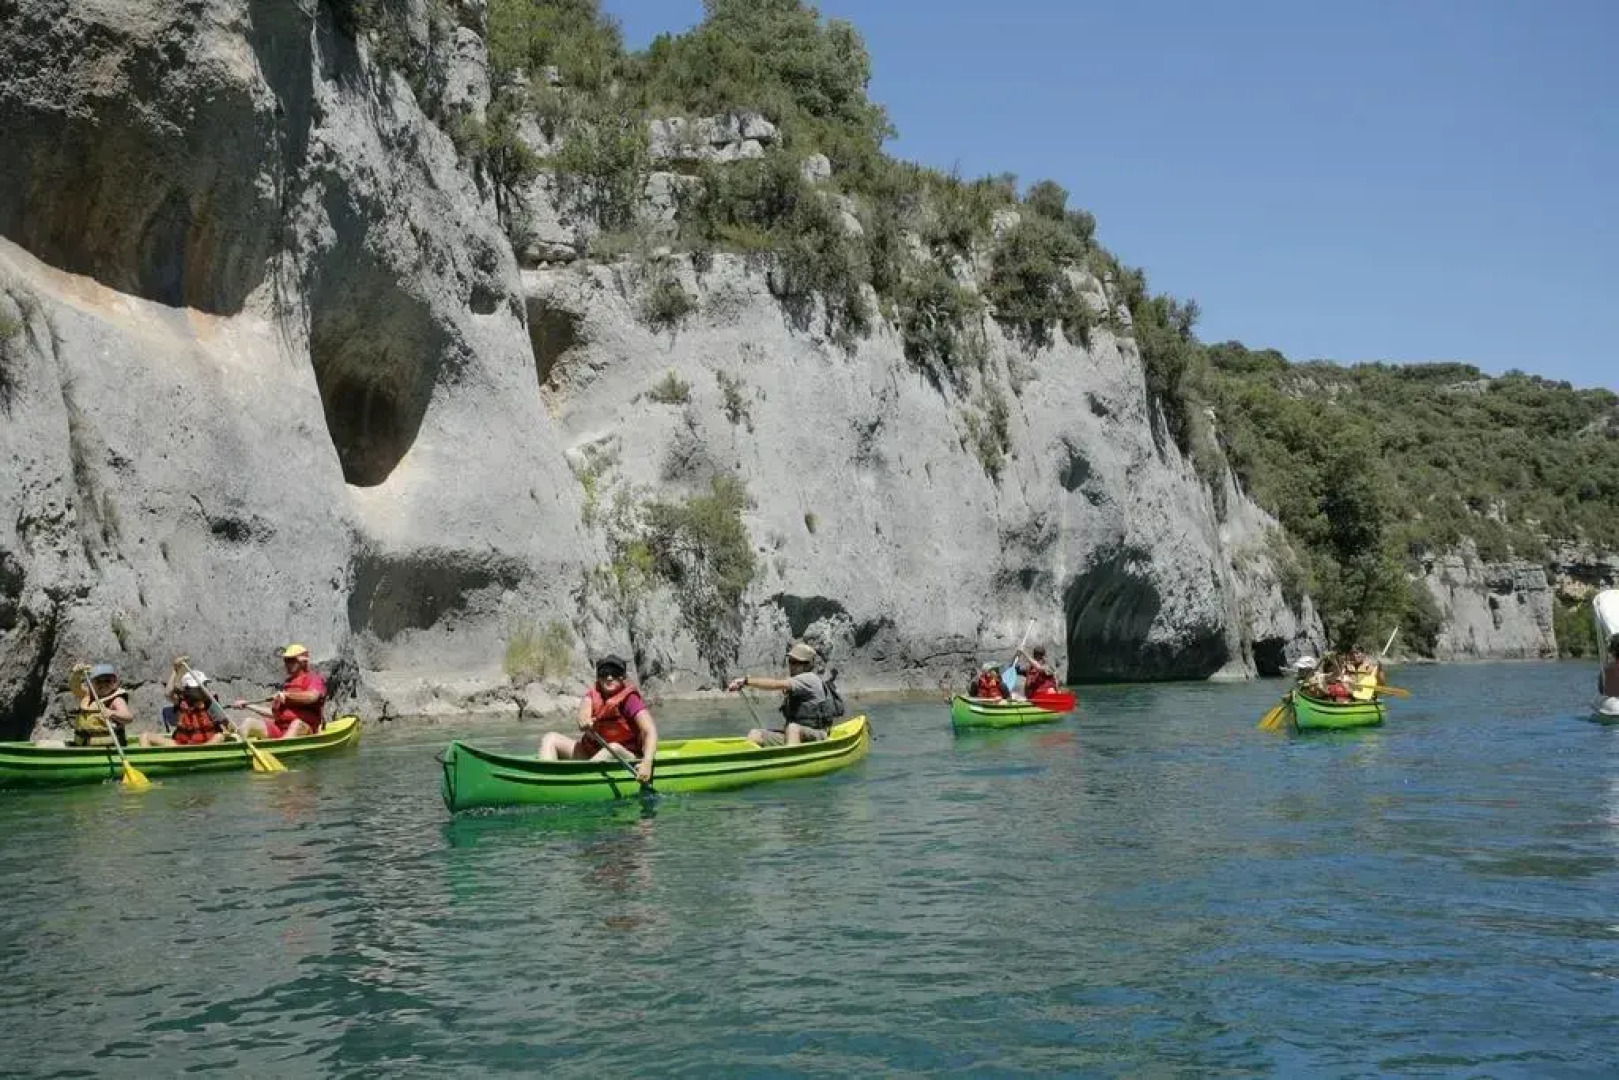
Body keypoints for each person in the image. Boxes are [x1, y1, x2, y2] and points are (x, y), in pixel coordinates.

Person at [540, 655, 657, 783]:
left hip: (625, 756)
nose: (609, 677)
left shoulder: (630, 700)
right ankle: (546, 779)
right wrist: (584, 720)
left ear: (623, 677)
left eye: (615, 673)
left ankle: (579, 782)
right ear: (598, 678)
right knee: (550, 738)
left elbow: (649, 731)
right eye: (604, 673)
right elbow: (583, 713)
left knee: (613, 747)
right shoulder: (593, 694)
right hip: (592, 754)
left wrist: (647, 762)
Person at [727, 640, 845, 746]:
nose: (791, 666)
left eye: (796, 662)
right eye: (790, 661)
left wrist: (746, 681)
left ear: (807, 665)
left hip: (818, 735)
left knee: (793, 728)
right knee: (755, 734)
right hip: (796, 736)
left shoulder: (809, 679)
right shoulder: (797, 681)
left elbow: (776, 684)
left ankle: (791, 762)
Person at [235, 644, 327, 739]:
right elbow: (274, 714)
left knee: (296, 724)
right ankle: (238, 749)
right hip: (281, 728)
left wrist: (287, 695)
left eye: (291, 660)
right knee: (249, 722)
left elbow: (313, 696)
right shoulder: (287, 684)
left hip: (306, 729)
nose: (287, 664)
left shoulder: (314, 679)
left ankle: (281, 748)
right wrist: (248, 705)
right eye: (286, 661)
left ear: (302, 662)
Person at [140, 658, 230, 747]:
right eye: (200, 687)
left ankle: (200, 754)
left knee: (219, 737)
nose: (204, 689)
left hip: (206, 744)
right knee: (145, 736)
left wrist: (228, 730)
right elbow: (168, 693)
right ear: (188, 689)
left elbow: (226, 724)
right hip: (182, 745)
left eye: (204, 685)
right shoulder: (181, 701)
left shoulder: (211, 702)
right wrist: (175, 670)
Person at [68, 662, 135, 746]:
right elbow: (75, 688)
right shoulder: (88, 695)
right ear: (91, 683)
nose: (103, 684)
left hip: (108, 747)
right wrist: (76, 675)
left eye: (107, 681)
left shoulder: (116, 700)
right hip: (84, 745)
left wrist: (113, 713)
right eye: (98, 681)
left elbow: (129, 717)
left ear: (114, 682)